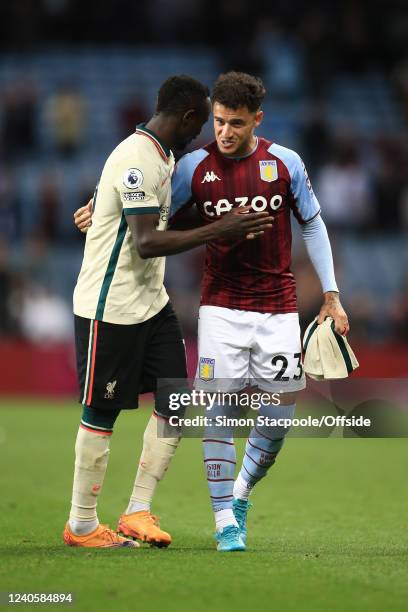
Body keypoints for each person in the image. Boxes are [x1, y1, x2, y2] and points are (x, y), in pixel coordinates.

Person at [74, 72, 349, 553]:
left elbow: (313, 224)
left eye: (233, 123)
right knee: (190, 409)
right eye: (215, 121)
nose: (220, 131)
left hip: (258, 305)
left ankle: (201, 498)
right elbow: (149, 219)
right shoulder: (186, 165)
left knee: (249, 413)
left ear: (256, 120)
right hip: (185, 304)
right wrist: (100, 205)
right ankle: (215, 517)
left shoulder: (280, 163)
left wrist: (330, 294)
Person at [65, 74, 272, 549]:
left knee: (177, 404)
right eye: (201, 123)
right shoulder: (136, 156)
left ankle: (137, 511)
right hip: (110, 305)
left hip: (151, 303)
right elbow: (146, 240)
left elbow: (137, 205)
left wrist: (97, 202)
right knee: (102, 412)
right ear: (187, 117)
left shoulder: (163, 155)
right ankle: (80, 524)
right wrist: (220, 229)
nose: (202, 133)